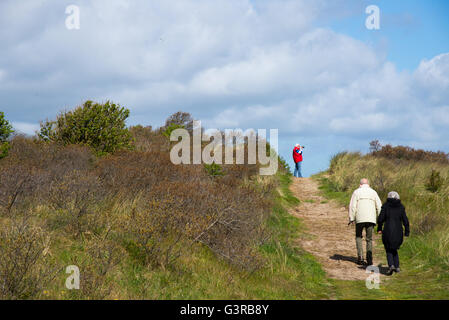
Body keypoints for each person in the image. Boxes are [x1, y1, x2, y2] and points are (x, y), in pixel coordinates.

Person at [349, 178, 382, 266]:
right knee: (369, 239)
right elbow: (379, 206)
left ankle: (360, 257)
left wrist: (352, 218)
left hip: (359, 219)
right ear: (369, 184)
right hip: (371, 219)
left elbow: (352, 206)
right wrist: (381, 219)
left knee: (358, 237)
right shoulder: (373, 192)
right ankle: (369, 259)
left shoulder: (356, 192)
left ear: (360, 185)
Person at [377, 191, 410, 275]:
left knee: (388, 249)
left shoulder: (385, 206)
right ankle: (397, 267)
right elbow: (405, 221)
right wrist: (407, 232)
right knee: (394, 248)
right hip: (398, 231)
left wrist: (379, 228)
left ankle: (391, 265)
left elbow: (380, 219)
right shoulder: (401, 207)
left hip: (387, 230)